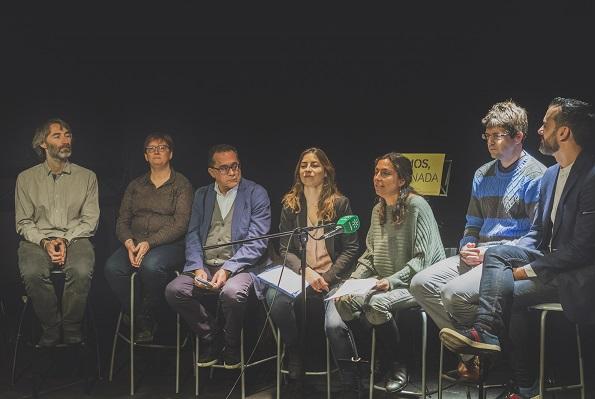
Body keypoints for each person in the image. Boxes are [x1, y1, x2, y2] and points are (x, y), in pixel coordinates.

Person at [439, 97, 595, 399]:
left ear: (563, 132)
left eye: (546, 125)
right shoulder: (552, 175)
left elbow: (583, 249)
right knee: (499, 254)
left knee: (508, 291)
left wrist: (529, 269)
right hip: (547, 260)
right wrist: (513, 258)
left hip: (575, 274)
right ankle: (488, 336)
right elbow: (538, 232)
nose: (540, 130)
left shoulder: (593, 176)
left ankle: (524, 387)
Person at [410, 100, 546, 381]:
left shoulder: (536, 175)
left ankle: (487, 352)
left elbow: (536, 235)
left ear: (518, 136)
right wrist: (467, 246)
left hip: (509, 256)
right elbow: (472, 223)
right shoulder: (482, 174)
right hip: (479, 253)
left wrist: (491, 255)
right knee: (420, 284)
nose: (491, 142)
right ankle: (472, 356)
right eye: (488, 136)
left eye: (498, 135)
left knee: (452, 293)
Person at [335, 153, 445, 393]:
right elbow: (370, 256)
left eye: (385, 173)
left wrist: (392, 280)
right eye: (376, 172)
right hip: (386, 282)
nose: (378, 178)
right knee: (343, 303)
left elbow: (423, 260)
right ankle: (373, 358)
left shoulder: (417, 206)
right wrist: (353, 281)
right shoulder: (378, 209)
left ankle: (398, 364)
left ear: (402, 179)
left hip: (417, 284)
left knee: (377, 305)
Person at [264, 147, 360, 396]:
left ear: (326, 172)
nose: (308, 169)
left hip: (333, 277)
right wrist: (307, 273)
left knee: (334, 325)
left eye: (314, 165)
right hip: (301, 274)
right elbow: (284, 248)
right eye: (304, 165)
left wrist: (325, 277)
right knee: (275, 300)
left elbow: (351, 249)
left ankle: (350, 380)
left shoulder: (341, 204)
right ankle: (293, 352)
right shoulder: (290, 204)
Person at [165, 144, 271, 369]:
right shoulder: (202, 195)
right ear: (212, 172)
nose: (232, 172)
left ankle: (232, 344)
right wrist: (196, 267)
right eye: (225, 168)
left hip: (242, 267)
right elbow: (192, 234)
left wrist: (228, 268)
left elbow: (257, 242)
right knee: (175, 291)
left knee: (232, 293)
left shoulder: (255, 193)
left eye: (236, 166)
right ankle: (212, 336)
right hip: (206, 264)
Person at [15, 118, 99, 346]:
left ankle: (71, 328)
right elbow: (23, 222)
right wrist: (45, 242)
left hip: (75, 237)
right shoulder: (25, 178)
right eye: (57, 136)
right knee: (33, 272)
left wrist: (64, 239)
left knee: (81, 270)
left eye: (68, 135)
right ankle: (51, 328)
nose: (65, 140)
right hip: (37, 239)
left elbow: (90, 221)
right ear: (43, 143)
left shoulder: (87, 176)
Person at [104, 133, 193, 342]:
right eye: (151, 148)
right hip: (134, 242)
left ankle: (148, 313)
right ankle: (140, 318)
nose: (156, 151)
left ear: (170, 153)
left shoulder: (181, 184)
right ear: (145, 156)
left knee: (151, 266)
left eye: (162, 147)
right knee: (112, 268)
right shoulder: (135, 185)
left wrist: (149, 243)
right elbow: (122, 220)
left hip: (169, 245)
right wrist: (128, 242)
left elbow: (181, 224)